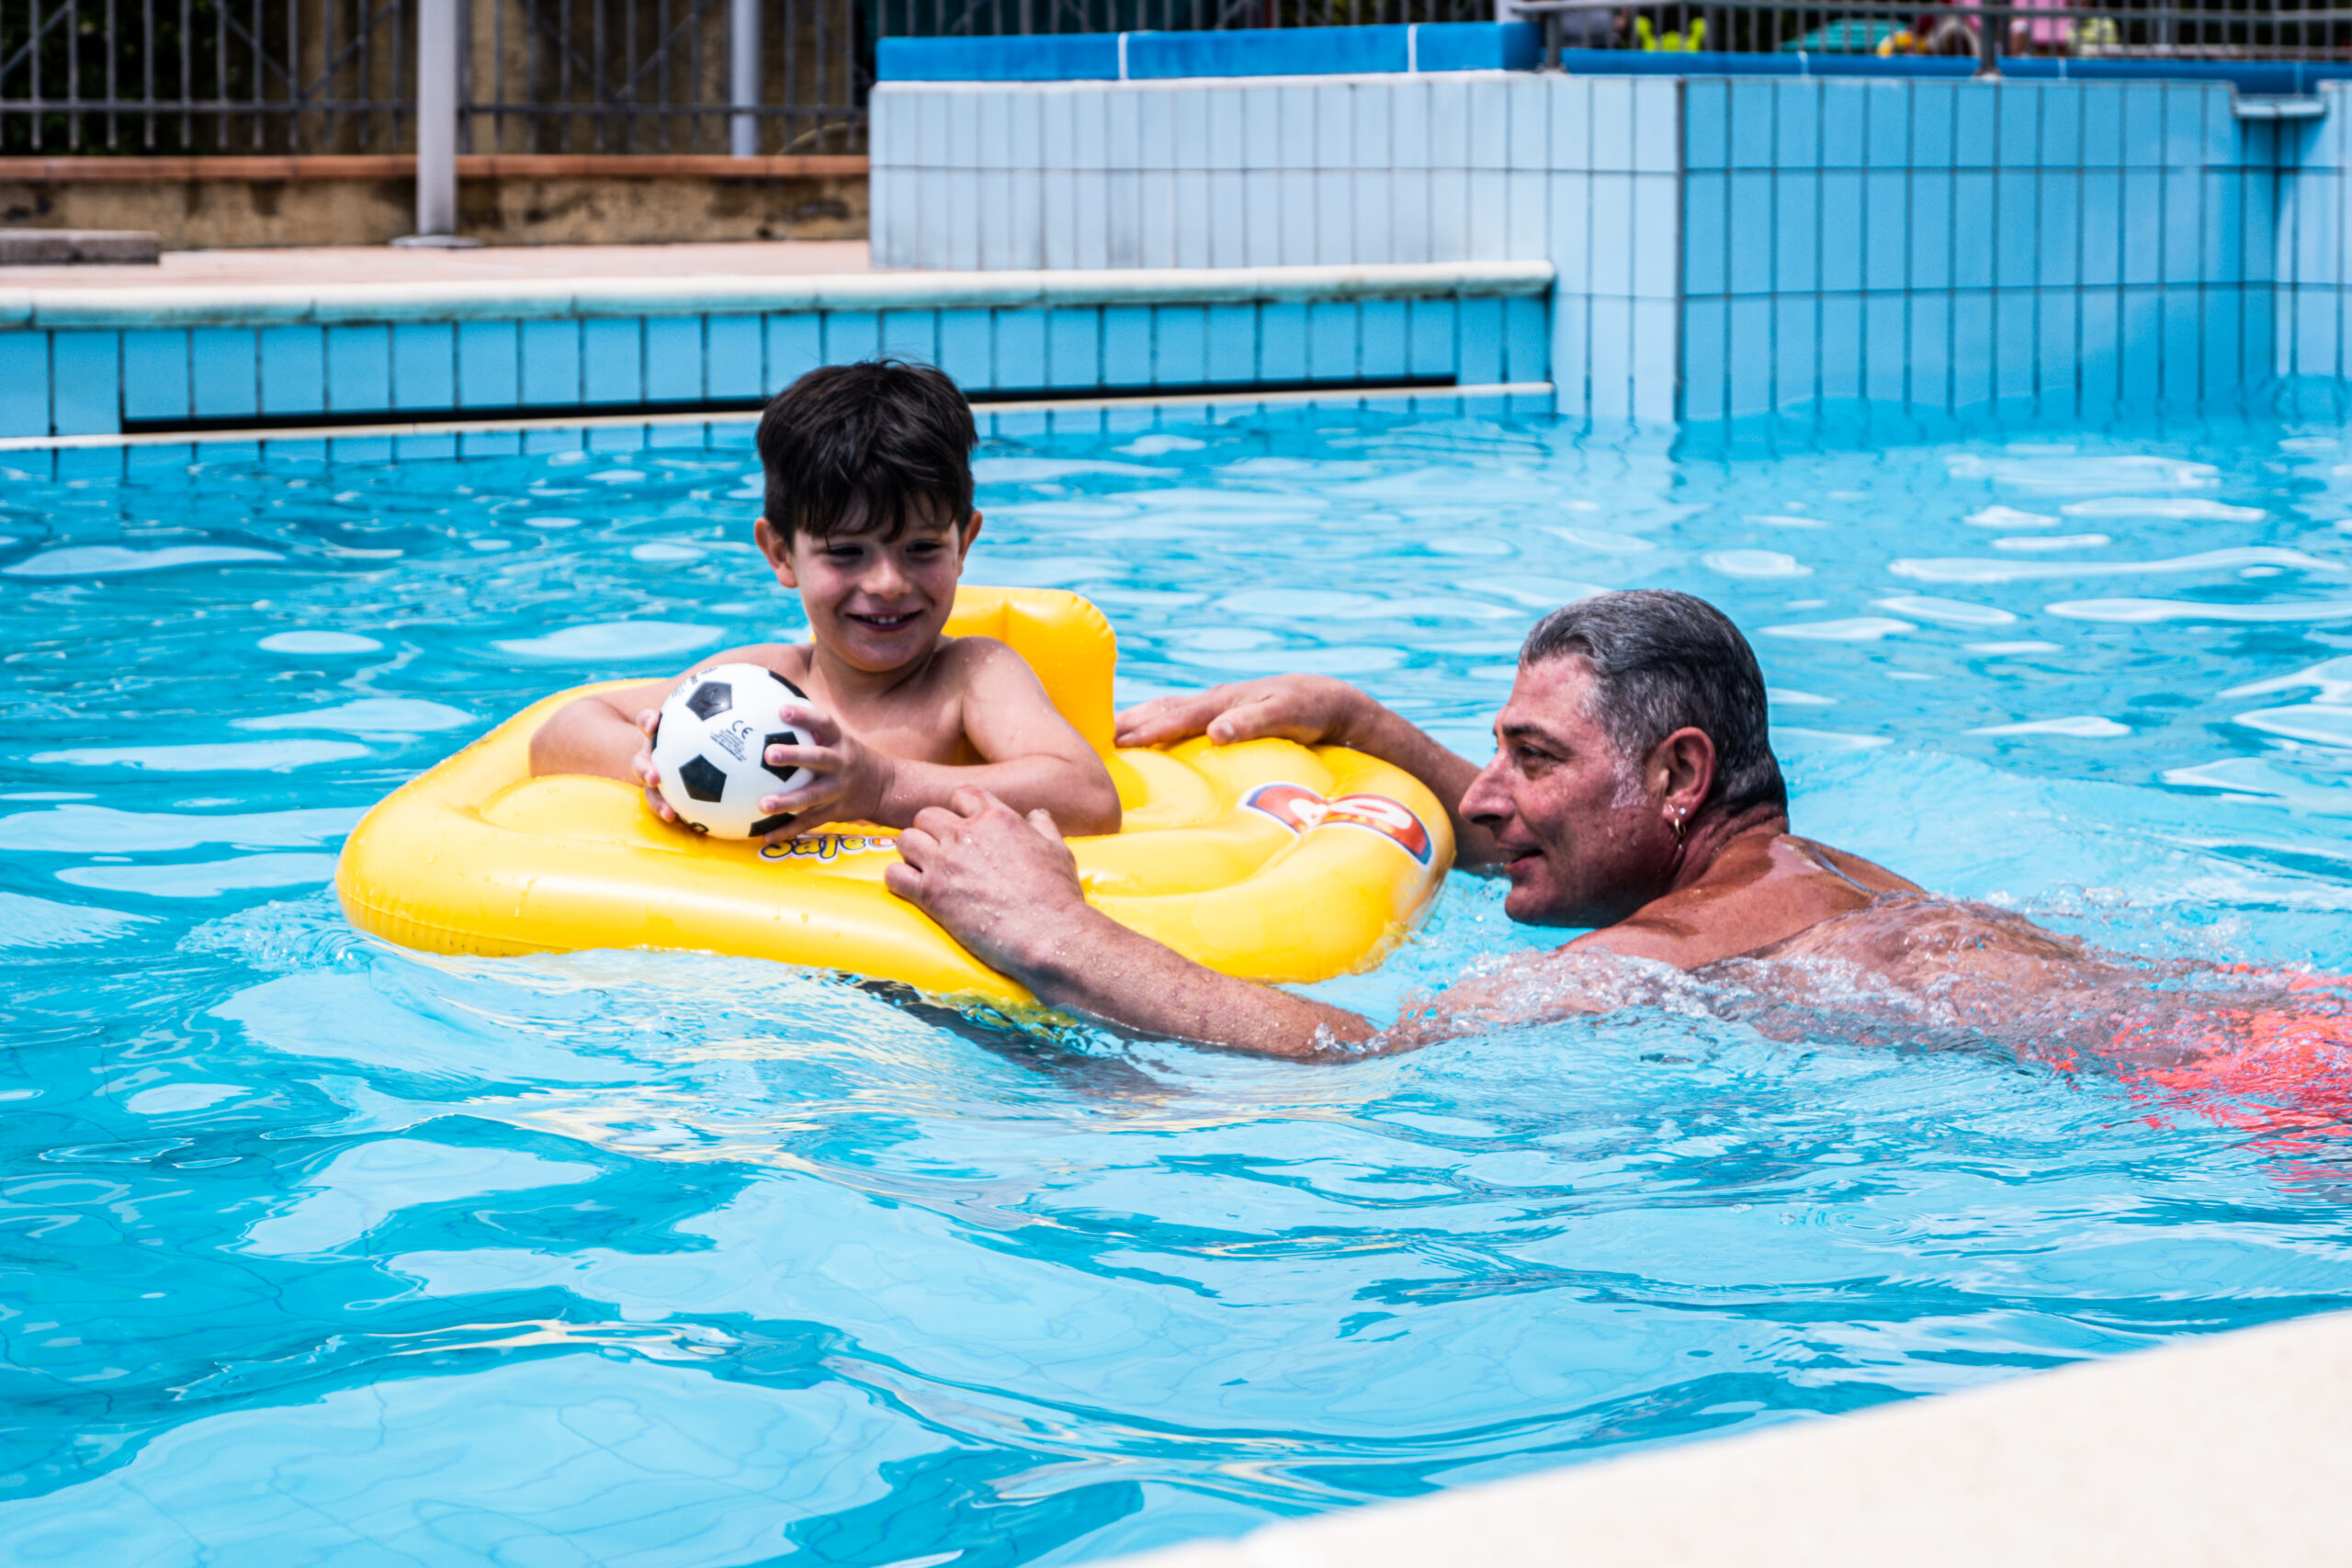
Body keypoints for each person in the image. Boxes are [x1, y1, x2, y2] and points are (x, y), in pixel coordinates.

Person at [883, 590, 2345, 1073]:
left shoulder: (1661, 959)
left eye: (1527, 755)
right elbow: (1576, 830)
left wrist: (1053, 930)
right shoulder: (1818, 879)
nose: (1485, 798)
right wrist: (1365, 722)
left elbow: (1361, 1062)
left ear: (1683, 771)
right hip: (2268, 1025)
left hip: (2252, 1097)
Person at [529, 361, 1121, 841]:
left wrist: (881, 788)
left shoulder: (969, 678)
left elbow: (1089, 800)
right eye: (846, 552)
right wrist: (660, 765)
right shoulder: (756, 681)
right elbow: (561, 733)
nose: (888, 582)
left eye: (920, 548)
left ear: (964, 543)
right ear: (781, 554)